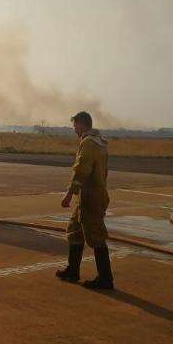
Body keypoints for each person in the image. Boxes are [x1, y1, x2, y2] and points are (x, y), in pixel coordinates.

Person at [56, 111, 115, 290]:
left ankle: (105, 279)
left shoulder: (88, 143)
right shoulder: (100, 142)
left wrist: (68, 195)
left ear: (82, 124)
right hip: (91, 194)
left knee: (96, 236)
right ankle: (73, 271)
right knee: (74, 231)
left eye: (75, 125)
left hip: (90, 196)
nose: (74, 129)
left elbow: (81, 171)